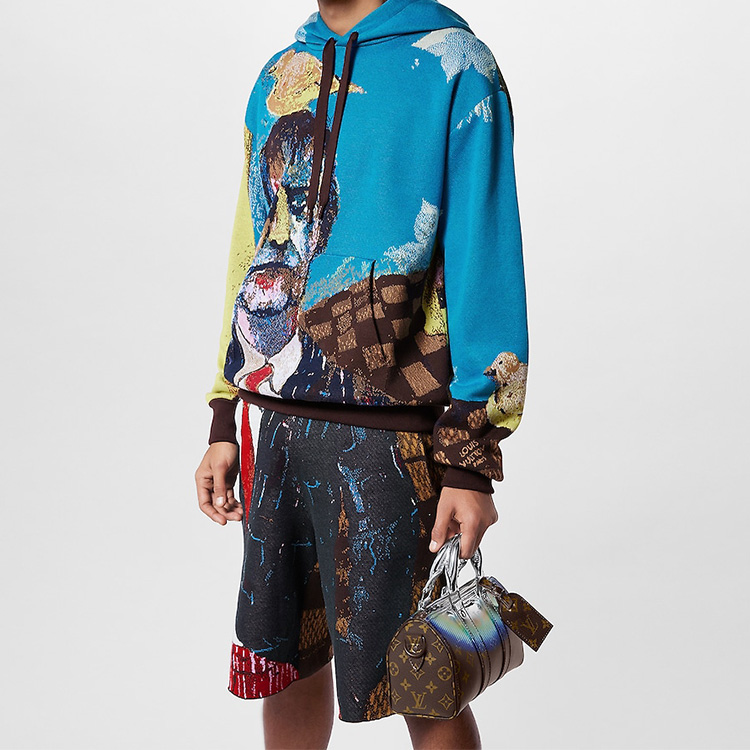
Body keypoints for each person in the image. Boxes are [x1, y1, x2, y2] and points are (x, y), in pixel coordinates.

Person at [194, 0, 528, 746]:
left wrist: (470, 460)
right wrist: (224, 414)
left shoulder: (456, 68)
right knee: (285, 663)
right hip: (275, 426)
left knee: (427, 679)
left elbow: (485, 259)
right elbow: (250, 248)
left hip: (393, 442)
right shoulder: (281, 75)